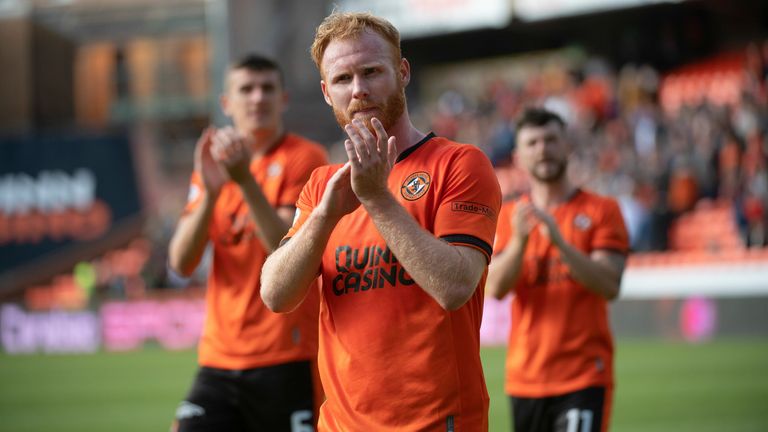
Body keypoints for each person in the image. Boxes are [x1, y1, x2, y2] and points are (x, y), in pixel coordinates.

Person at [260, 11, 501, 431]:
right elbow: (275, 295)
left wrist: (375, 197)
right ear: (325, 92)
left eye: (372, 72)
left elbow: (455, 286)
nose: (359, 90)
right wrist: (325, 216)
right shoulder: (322, 186)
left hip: (436, 423)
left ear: (402, 72)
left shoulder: (459, 164)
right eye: (342, 79)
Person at [167, 54, 328, 431]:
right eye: (246, 89)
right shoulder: (213, 163)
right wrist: (209, 192)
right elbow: (181, 263)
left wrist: (244, 181)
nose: (258, 98)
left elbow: (288, 249)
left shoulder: (304, 158)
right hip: (220, 356)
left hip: (286, 354)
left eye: (267, 88)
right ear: (226, 103)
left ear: (283, 99)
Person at [486, 107, 630, 432]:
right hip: (526, 378)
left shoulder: (602, 210)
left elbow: (610, 284)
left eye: (551, 140)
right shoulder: (510, 217)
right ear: (518, 156)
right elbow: (494, 289)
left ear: (567, 145)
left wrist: (561, 244)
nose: (543, 149)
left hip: (583, 375)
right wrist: (521, 243)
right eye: (532, 143)